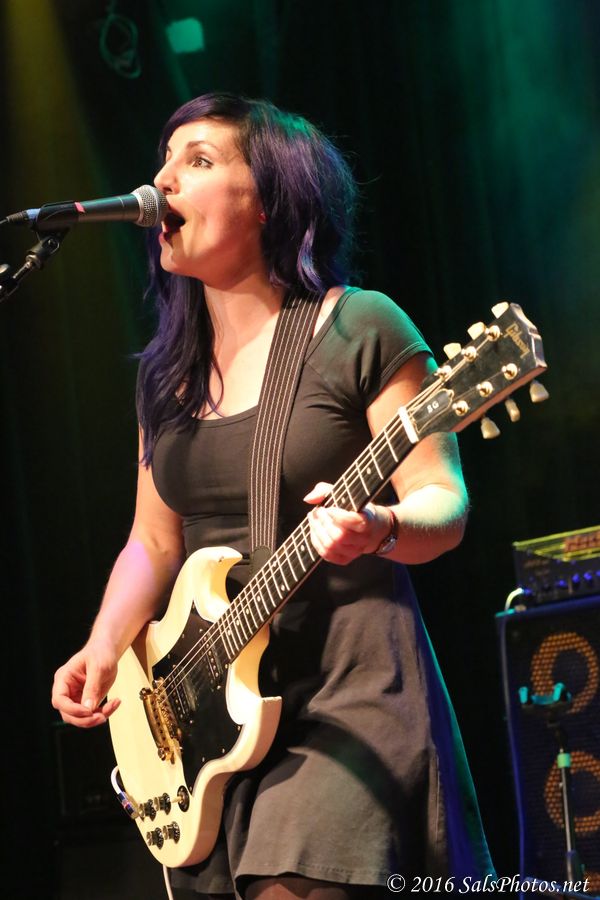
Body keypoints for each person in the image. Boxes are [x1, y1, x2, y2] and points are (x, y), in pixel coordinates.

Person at [52, 92, 495, 900]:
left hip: (344, 689)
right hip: (210, 713)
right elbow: (153, 542)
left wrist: (381, 525)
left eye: (198, 160)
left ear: (269, 200)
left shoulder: (360, 326)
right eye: (164, 160)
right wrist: (105, 646)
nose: (163, 181)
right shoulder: (166, 376)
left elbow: (443, 501)